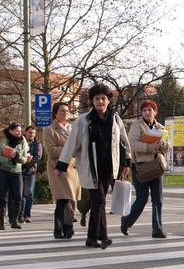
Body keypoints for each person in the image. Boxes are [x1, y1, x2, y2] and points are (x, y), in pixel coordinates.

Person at [55, 83, 131, 249]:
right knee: (100, 200)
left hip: (110, 166)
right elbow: (71, 143)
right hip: (91, 167)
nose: (100, 102)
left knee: (99, 203)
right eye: (97, 98)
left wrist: (127, 161)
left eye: (103, 98)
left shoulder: (115, 118)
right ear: (92, 101)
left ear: (109, 100)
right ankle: (103, 236)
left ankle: (91, 238)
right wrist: (62, 165)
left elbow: (123, 141)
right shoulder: (84, 120)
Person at [121, 100, 171, 238]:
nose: (147, 112)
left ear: (155, 112)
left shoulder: (160, 127)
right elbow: (132, 144)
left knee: (158, 199)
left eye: (150, 110)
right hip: (141, 167)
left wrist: (162, 145)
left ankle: (157, 229)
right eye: (144, 110)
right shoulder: (137, 126)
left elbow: (169, 146)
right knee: (142, 199)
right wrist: (150, 147)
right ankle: (126, 221)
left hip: (156, 166)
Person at [41, 102, 80, 239]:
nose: (65, 113)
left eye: (67, 111)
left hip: (73, 168)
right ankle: (67, 228)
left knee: (70, 200)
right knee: (63, 199)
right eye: (62, 111)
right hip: (58, 168)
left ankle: (58, 229)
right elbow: (51, 151)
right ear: (55, 113)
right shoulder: (50, 130)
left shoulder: (72, 128)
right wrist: (69, 149)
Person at [0, 122, 29, 231]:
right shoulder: (5, 141)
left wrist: (18, 158)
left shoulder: (22, 141)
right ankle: (2, 222)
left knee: (18, 196)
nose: (19, 133)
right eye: (16, 131)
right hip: (4, 171)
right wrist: (9, 158)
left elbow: (24, 158)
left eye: (20, 131)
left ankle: (14, 220)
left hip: (17, 171)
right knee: (3, 198)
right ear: (10, 131)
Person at [18, 126, 41, 223]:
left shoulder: (37, 144)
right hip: (19, 170)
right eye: (30, 132)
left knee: (29, 193)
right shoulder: (20, 142)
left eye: (34, 133)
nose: (32, 134)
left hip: (30, 171)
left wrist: (28, 163)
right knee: (21, 194)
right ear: (25, 132)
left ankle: (27, 214)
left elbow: (38, 156)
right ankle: (20, 215)